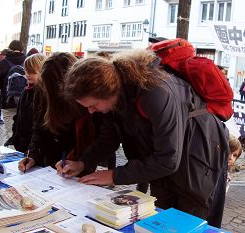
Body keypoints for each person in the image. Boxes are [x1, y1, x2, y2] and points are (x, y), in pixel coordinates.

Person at [57, 49, 229, 227]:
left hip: (200, 156)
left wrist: (115, 176)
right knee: (162, 217)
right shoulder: (114, 96)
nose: (91, 111)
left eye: (93, 105)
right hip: (167, 156)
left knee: (190, 221)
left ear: (109, 91)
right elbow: (108, 139)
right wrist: (83, 163)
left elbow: (168, 160)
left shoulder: (156, 92)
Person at [17, 52, 96, 175]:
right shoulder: (43, 92)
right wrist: (33, 155)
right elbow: (39, 128)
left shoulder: (85, 101)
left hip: (76, 167)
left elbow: (96, 140)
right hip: (48, 165)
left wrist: (82, 163)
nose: (56, 92)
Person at [5, 53, 47, 153]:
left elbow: (40, 125)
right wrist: (15, 136)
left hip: (33, 146)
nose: (27, 74)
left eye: (32, 72)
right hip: (21, 143)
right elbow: (18, 116)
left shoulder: (43, 94)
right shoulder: (26, 91)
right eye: (26, 71)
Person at [0, 40, 26, 110]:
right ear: (22, 49)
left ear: (9, 49)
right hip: (24, 101)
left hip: (7, 100)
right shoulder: (27, 61)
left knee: (8, 120)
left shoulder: (3, 62)